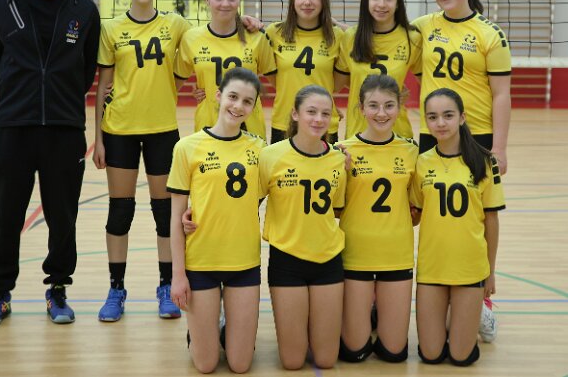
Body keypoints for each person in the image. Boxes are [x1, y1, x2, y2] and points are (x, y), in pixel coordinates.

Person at [0, 0, 100, 327]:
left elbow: (86, 69)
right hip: (13, 127)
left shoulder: (83, 10)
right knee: (7, 216)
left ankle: (58, 289)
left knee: (63, 218)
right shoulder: (2, 6)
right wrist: (20, 94)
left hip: (64, 129)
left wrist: (59, 97)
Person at [93, 0, 194, 321]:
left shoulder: (175, 24)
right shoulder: (111, 29)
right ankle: (116, 289)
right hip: (119, 129)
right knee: (120, 211)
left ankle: (166, 286)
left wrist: (247, 23)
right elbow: (104, 85)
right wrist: (97, 138)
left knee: (165, 213)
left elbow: (208, 41)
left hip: (162, 130)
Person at [169, 68, 265, 373]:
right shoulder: (187, 147)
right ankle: (200, 333)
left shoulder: (261, 149)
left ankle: (224, 328)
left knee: (240, 364)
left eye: (247, 101)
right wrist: (177, 276)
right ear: (218, 95)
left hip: (243, 262)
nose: (238, 106)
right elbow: (175, 219)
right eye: (233, 97)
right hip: (202, 262)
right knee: (206, 364)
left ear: (254, 107)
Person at [410, 88, 504, 367]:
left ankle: (479, 313)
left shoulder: (485, 161)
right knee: (431, 355)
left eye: (448, 115)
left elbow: (491, 220)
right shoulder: (421, 162)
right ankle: (459, 314)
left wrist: (490, 272)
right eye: (433, 117)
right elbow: (415, 214)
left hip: (469, 267)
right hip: (433, 266)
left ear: (462, 117)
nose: (440, 123)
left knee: (461, 358)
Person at [259, 85, 347, 370]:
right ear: (295, 114)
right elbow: (247, 203)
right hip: (287, 260)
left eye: (325, 114)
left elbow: (337, 208)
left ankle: (312, 329)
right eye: (311, 112)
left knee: (326, 360)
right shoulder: (270, 156)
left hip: (328, 259)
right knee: (293, 362)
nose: (318, 119)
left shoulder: (339, 159)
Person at [337, 74, 418, 363]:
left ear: (399, 107)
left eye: (389, 106)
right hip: (355, 254)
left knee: (394, 354)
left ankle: (376, 311)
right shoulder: (342, 151)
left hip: (396, 255)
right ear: (361, 108)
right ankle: (365, 313)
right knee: (354, 352)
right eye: (373, 106)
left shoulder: (412, 151)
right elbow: (333, 209)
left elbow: (417, 209)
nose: (381, 113)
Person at [413, 0, 511, 175]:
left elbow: (501, 94)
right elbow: (384, 37)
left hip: (476, 131)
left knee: (477, 195)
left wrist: (500, 149)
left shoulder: (491, 34)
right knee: (430, 194)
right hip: (433, 129)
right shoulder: (423, 25)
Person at [176, 0, 276, 140]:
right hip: (208, 125)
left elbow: (280, 83)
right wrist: (202, 87)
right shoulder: (191, 38)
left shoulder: (257, 38)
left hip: (250, 128)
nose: (225, 4)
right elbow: (172, 84)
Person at [336, 0, 422, 139]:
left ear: (397, 3)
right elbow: (336, 84)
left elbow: (428, 83)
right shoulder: (351, 37)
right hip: (358, 133)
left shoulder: (412, 38)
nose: (381, 4)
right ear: (366, 1)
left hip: (398, 134)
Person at [265, 0, 343, 144]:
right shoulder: (275, 33)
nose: (307, 2)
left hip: (322, 123)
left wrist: (339, 25)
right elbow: (274, 79)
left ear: (324, 0)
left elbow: (336, 85)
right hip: (284, 122)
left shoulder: (337, 36)